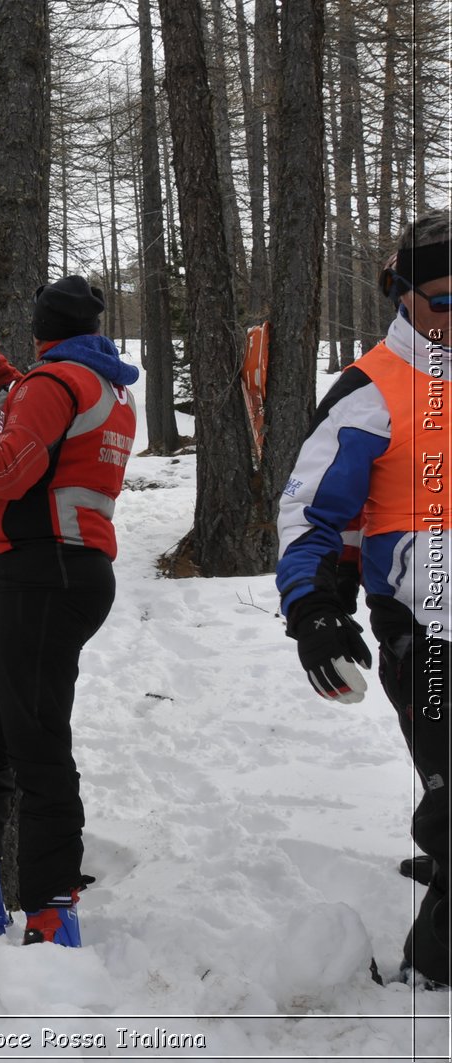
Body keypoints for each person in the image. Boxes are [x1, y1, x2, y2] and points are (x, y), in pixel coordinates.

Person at [0, 276, 137, 946]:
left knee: (36, 743)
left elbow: (10, 466)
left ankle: (49, 905)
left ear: (43, 328)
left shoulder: (57, 384)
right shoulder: (96, 382)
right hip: (49, 574)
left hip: (46, 573)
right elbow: (28, 397)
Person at [276, 211, 451, 988]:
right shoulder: (372, 390)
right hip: (427, 630)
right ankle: (432, 972)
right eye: (446, 300)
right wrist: (316, 611)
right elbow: (311, 514)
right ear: (403, 294)